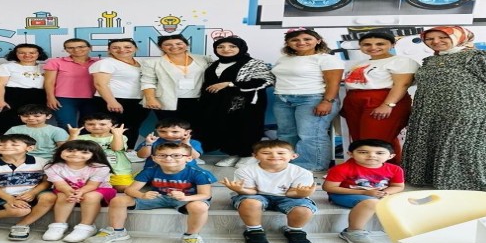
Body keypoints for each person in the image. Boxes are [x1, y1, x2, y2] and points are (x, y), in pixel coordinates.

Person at [404, 26, 486, 191]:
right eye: (429, 39)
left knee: (467, 146)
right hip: (433, 112)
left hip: (471, 111)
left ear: (459, 37)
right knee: (438, 144)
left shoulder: (477, 57)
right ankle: (435, 179)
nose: (436, 41)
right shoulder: (431, 60)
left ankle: (472, 184)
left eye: (443, 37)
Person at [84, 142, 216, 243]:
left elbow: (206, 194)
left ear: (189, 158)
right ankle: (117, 231)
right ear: (154, 158)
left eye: (176, 155)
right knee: (118, 200)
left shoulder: (198, 173)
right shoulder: (150, 170)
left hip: (186, 200)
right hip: (157, 197)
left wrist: (185, 198)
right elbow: (130, 189)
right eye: (162, 155)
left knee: (199, 206)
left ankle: (191, 236)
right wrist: (142, 195)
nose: (169, 158)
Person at [220, 140, 317, 243]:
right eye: (266, 153)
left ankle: (295, 231)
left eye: (281, 153)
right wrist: (240, 189)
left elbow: (291, 193)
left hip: (289, 196)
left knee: (304, 209)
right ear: (255, 156)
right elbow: (252, 191)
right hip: (257, 195)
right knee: (250, 203)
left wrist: (303, 193)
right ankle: (254, 231)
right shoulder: (245, 170)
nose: (274, 156)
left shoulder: (303, 172)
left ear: (293, 156)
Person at [272, 28, 344, 172]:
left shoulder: (327, 59)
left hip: (313, 99)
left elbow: (333, 83)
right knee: (286, 134)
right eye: (295, 40)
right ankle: (289, 164)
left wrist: (327, 102)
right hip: (282, 99)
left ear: (318, 41)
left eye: (307, 39)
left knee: (310, 135)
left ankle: (313, 166)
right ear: (288, 43)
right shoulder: (283, 59)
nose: (301, 42)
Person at [341, 32, 418, 164]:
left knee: (373, 142)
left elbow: (402, 84)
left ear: (392, 44)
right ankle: (389, 170)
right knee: (361, 141)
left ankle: (373, 170)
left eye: (380, 44)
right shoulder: (359, 63)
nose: (373, 47)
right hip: (355, 101)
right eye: (367, 44)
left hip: (383, 100)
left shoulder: (402, 61)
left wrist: (388, 105)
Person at [199, 35, 275, 167]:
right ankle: (233, 154)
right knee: (227, 128)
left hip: (246, 104)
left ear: (241, 48)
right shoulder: (214, 64)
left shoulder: (253, 63)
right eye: (220, 47)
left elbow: (267, 81)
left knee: (247, 128)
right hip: (219, 104)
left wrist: (230, 84)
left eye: (232, 46)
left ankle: (249, 155)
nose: (226, 49)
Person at [322, 139, 405, 243]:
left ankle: (400, 229)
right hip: (344, 194)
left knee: (408, 201)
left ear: (391, 156)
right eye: (363, 152)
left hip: (375, 194)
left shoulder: (395, 169)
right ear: (350, 154)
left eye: (379, 153)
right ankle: (353, 231)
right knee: (372, 202)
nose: (372, 155)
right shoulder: (341, 168)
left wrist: (385, 192)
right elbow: (328, 187)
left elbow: (398, 186)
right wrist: (365, 192)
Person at [42, 140, 117, 242]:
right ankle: (58, 225)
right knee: (63, 195)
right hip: (67, 190)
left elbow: (92, 185)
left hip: (98, 190)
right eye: (70, 151)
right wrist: (69, 192)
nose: (76, 154)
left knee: (90, 196)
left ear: (94, 154)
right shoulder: (52, 167)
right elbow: (60, 185)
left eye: (84, 152)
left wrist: (80, 192)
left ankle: (86, 226)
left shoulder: (100, 167)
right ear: (60, 151)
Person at [141, 34, 212, 134]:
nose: (174, 47)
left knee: (195, 129)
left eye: (179, 43)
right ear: (161, 47)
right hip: (166, 101)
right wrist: (150, 99)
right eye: (168, 44)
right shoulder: (152, 62)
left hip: (197, 100)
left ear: (186, 45)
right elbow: (148, 81)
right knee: (170, 130)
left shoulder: (203, 59)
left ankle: (191, 145)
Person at [89, 39, 149, 158]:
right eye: (116, 47)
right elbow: (100, 84)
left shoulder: (141, 62)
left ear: (135, 48)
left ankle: (129, 151)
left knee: (133, 126)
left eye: (127, 47)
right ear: (109, 50)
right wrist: (112, 101)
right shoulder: (106, 63)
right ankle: (111, 154)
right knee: (115, 128)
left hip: (138, 100)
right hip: (114, 100)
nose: (122, 50)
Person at [0, 43, 48, 136]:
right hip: (12, 96)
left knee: (34, 124)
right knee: (6, 124)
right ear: (15, 54)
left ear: (39, 54)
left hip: (38, 97)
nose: (27, 55)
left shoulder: (45, 67)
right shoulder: (6, 67)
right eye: (22, 53)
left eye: (32, 53)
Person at [67, 113, 133, 191]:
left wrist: (117, 134)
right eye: (91, 124)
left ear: (113, 125)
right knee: (88, 189)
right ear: (84, 125)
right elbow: (68, 150)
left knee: (124, 188)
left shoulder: (120, 136)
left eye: (102, 124)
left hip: (118, 172)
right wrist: (73, 135)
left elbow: (117, 148)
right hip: (90, 173)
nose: (96, 127)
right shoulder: (80, 138)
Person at [44, 38, 99, 128]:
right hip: (64, 99)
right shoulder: (55, 62)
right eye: (70, 48)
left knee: (89, 125)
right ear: (66, 50)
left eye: (81, 47)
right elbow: (49, 82)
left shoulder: (99, 62)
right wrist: (50, 98)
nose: (76, 50)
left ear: (90, 48)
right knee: (67, 125)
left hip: (92, 98)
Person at [4, 104, 69, 159]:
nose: (31, 118)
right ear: (19, 116)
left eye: (37, 116)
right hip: (20, 159)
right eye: (25, 116)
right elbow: (4, 143)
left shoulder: (57, 130)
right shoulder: (14, 129)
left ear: (48, 116)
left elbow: (63, 148)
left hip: (48, 159)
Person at [135, 118, 203, 168]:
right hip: (155, 169)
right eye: (162, 131)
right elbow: (142, 156)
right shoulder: (152, 141)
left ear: (187, 132)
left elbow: (195, 156)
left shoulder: (192, 142)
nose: (169, 134)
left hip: (186, 170)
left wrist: (186, 144)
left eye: (175, 132)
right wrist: (148, 144)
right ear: (156, 131)